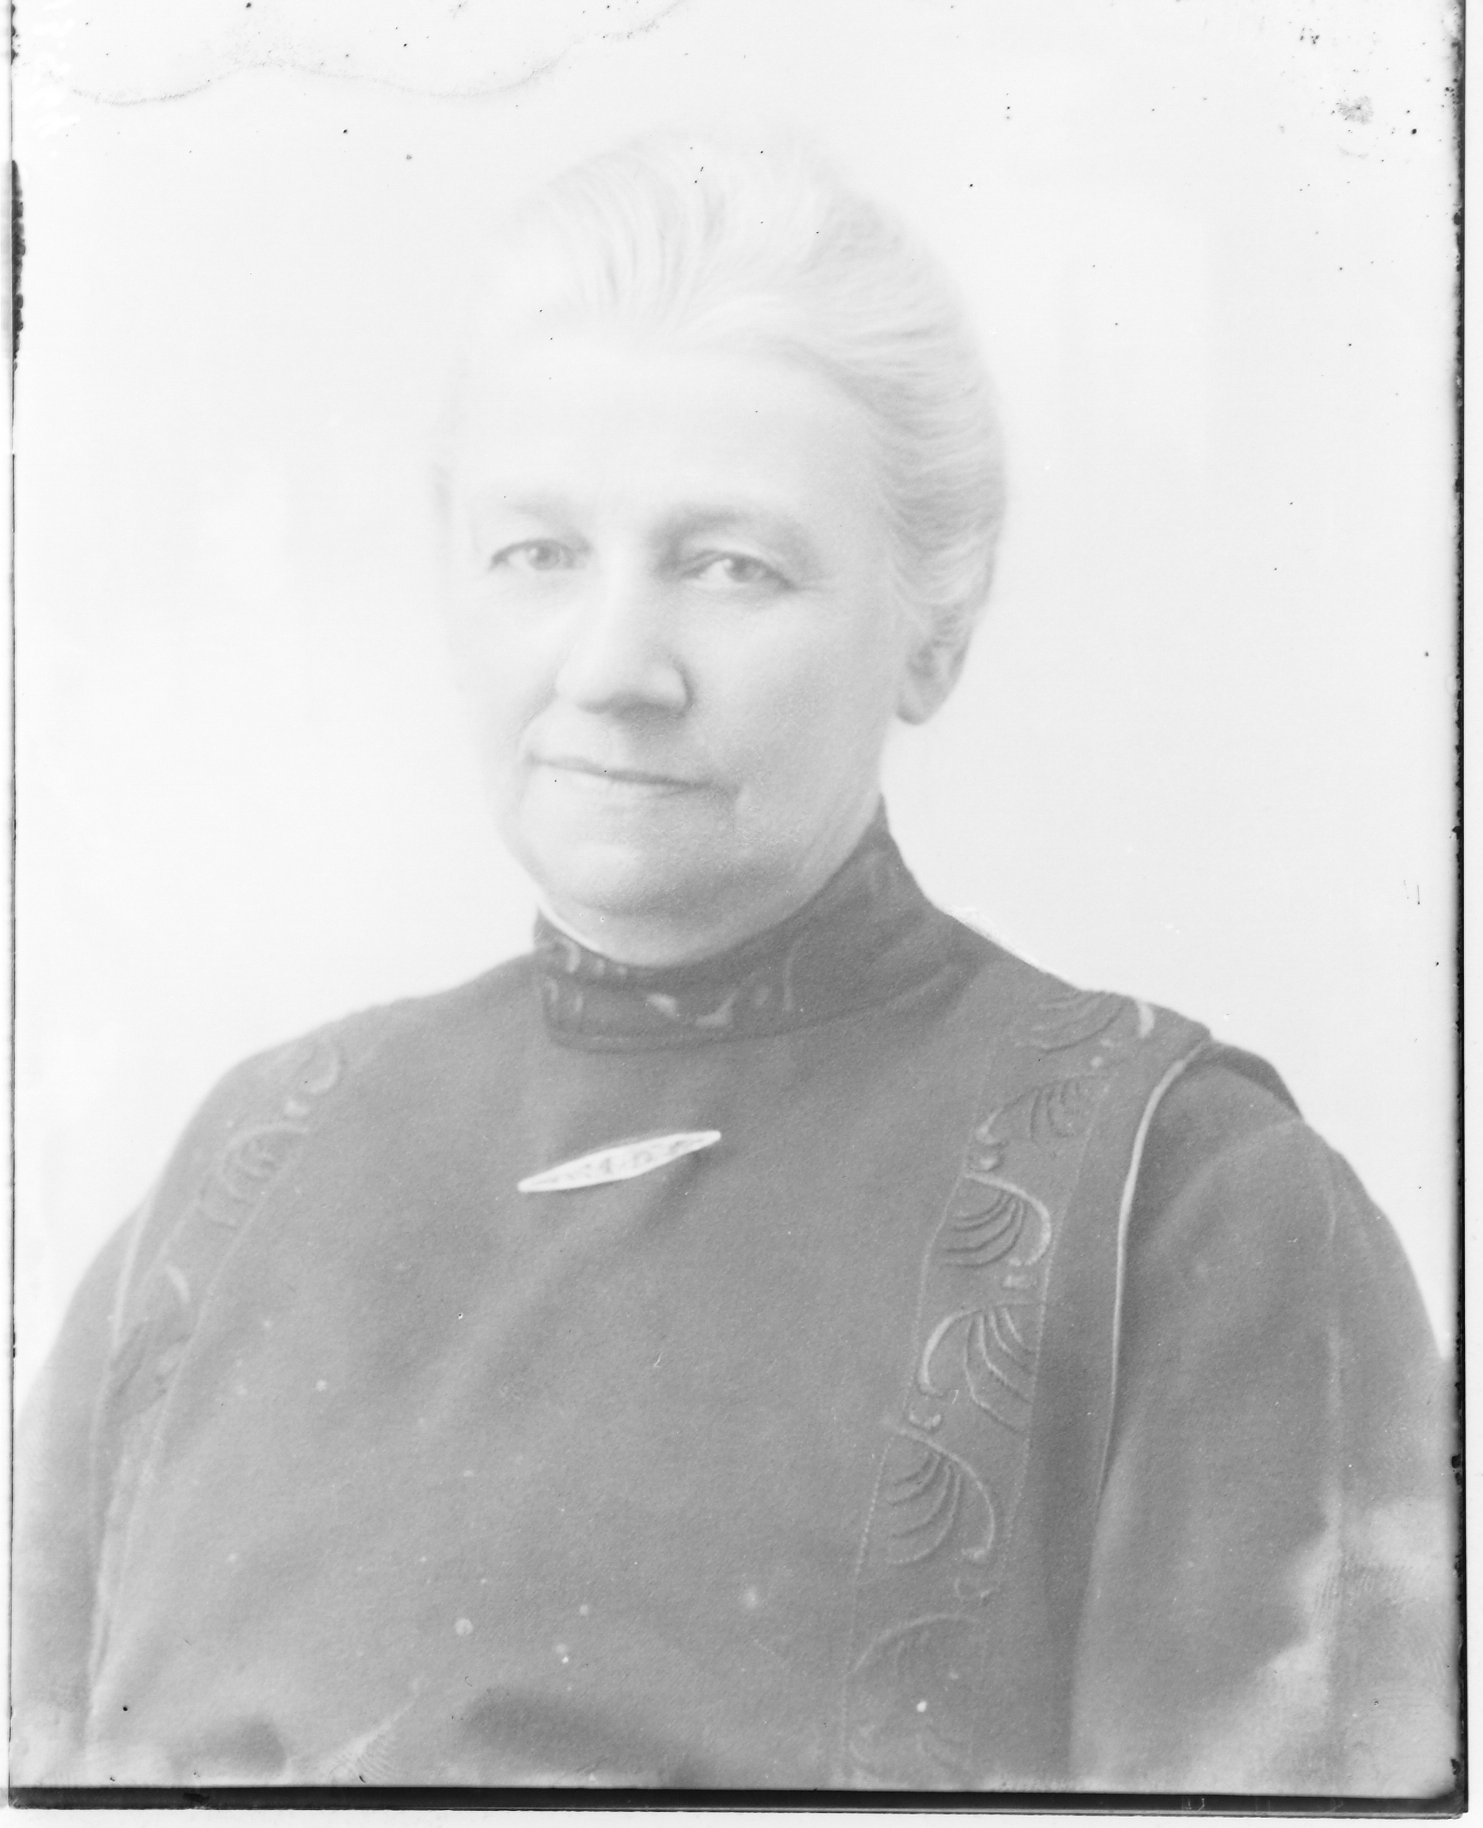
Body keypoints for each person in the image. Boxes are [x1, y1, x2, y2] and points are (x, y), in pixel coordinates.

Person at [13, 134, 1456, 1795]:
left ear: (938, 624)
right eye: (538, 552)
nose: (612, 667)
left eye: (731, 566)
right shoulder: (240, 1173)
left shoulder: (1192, 1208)